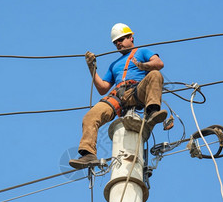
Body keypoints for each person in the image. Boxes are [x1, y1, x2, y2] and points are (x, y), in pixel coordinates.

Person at [69, 23, 167, 169]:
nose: (118, 44)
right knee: (90, 117)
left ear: (131, 37)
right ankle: (88, 154)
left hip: (137, 90)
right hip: (118, 96)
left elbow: (158, 63)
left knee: (155, 74)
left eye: (121, 40)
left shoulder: (142, 52)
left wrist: (142, 66)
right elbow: (103, 88)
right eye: (116, 42)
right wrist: (92, 69)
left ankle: (152, 112)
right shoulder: (114, 65)